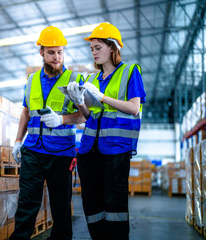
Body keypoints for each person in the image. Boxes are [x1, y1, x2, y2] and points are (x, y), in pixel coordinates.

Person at [66, 22, 146, 240]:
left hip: (116, 152)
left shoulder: (130, 72)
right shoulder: (92, 80)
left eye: (98, 47)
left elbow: (133, 107)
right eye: (91, 48)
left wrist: (101, 97)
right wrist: (79, 101)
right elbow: (88, 117)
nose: (93, 52)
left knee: (115, 205)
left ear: (112, 47)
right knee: (92, 205)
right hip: (89, 152)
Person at [10, 26, 86, 240]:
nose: (57, 57)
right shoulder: (32, 80)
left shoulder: (74, 80)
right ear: (41, 52)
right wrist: (18, 141)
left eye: (60, 52)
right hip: (33, 150)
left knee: (61, 209)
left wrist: (61, 119)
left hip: (61, 154)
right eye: (51, 52)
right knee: (26, 205)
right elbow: (26, 112)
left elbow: (83, 116)